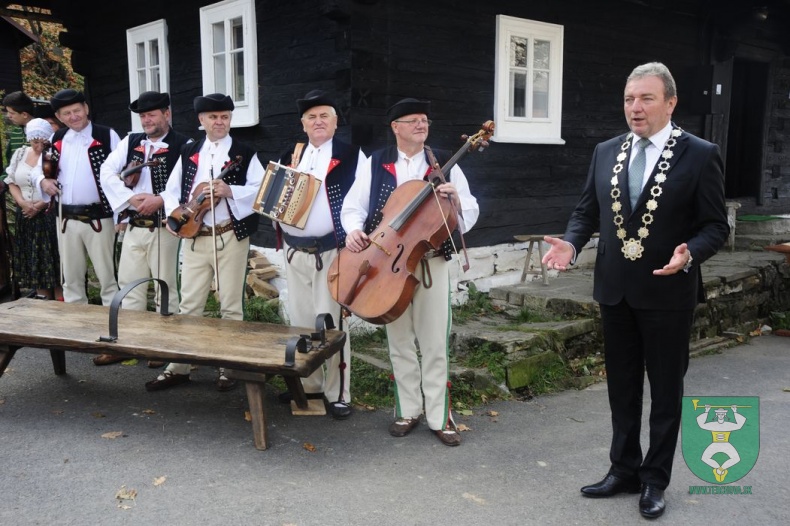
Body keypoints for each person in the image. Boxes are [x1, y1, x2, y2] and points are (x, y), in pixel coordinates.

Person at [541, 62, 729, 519]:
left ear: (670, 102)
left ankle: (654, 480)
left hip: (668, 292)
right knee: (622, 389)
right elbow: (587, 211)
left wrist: (693, 252)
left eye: (646, 98)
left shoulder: (700, 154)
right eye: (629, 99)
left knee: (665, 392)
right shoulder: (606, 151)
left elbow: (715, 225)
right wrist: (570, 241)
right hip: (615, 290)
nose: (635, 107)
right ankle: (623, 469)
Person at [341, 98, 479, 446]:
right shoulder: (377, 163)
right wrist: (354, 230)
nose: (421, 125)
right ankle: (407, 409)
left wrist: (457, 202)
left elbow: (472, 211)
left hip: (430, 263)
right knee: (399, 341)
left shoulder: (445, 163)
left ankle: (440, 414)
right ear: (396, 127)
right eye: (413, 120)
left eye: (425, 120)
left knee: (434, 343)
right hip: (388, 266)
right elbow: (353, 207)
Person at [146, 93, 264, 392]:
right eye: (213, 117)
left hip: (229, 235)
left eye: (224, 116)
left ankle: (229, 366)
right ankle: (181, 366)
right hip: (195, 236)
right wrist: (177, 214)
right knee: (190, 303)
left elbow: (261, 190)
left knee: (230, 305)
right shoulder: (190, 150)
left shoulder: (244, 151)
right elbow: (172, 190)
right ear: (201, 121)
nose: (219, 121)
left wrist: (230, 190)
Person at [275, 89, 366, 419]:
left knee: (331, 323)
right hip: (294, 252)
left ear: (335, 121)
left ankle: (338, 392)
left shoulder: (352, 155)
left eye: (324, 115)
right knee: (300, 322)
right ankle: (309, 385)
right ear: (303, 124)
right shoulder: (291, 152)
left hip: (332, 252)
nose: (318, 122)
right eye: (311, 117)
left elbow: (364, 203)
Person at [96, 91, 192, 366]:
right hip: (135, 226)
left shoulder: (184, 144)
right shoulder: (131, 141)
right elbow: (106, 171)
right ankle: (129, 342)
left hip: (164, 227)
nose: (147, 120)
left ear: (166, 114)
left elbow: (187, 182)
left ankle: (164, 345)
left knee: (166, 286)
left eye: (151, 115)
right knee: (129, 286)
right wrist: (129, 199)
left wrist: (161, 199)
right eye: (143, 116)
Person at [40, 89, 121, 306]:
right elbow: (41, 169)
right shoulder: (57, 138)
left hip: (98, 217)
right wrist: (43, 181)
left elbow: (120, 172)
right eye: (66, 113)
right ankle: (75, 326)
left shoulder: (106, 135)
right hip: (65, 218)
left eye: (77, 110)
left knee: (107, 276)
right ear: (59, 117)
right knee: (71, 277)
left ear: (86, 109)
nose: (73, 116)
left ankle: (114, 323)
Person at [4, 118, 62, 300]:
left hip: (48, 214)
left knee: (53, 264)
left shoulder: (53, 154)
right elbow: (11, 181)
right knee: (35, 266)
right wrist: (22, 203)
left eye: (42, 142)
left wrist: (38, 205)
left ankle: (62, 306)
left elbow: (58, 185)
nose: (38, 146)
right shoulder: (20, 154)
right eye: (34, 141)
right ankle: (42, 304)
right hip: (26, 215)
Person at [2, 91, 35, 174]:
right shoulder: (16, 131)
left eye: (12, 113)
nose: (8, 116)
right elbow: (10, 162)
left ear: (24, 114)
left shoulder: (40, 132)